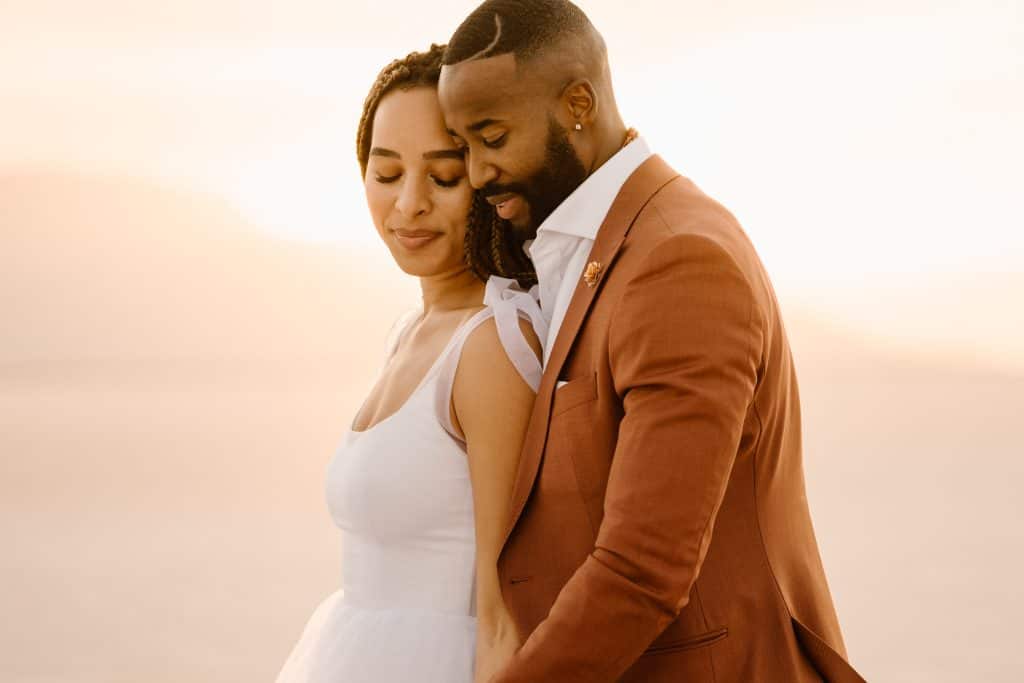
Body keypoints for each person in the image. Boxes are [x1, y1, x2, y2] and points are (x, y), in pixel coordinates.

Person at [437, 1, 867, 681]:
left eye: (491, 136)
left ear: (578, 102)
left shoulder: (679, 259)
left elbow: (644, 568)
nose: (478, 171)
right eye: (461, 146)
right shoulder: (586, 244)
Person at [274, 44, 544, 683]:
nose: (409, 204)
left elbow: (506, 615)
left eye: (443, 177)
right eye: (387, 173)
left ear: (487, 178)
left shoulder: (490, 346)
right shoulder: (411, 330)